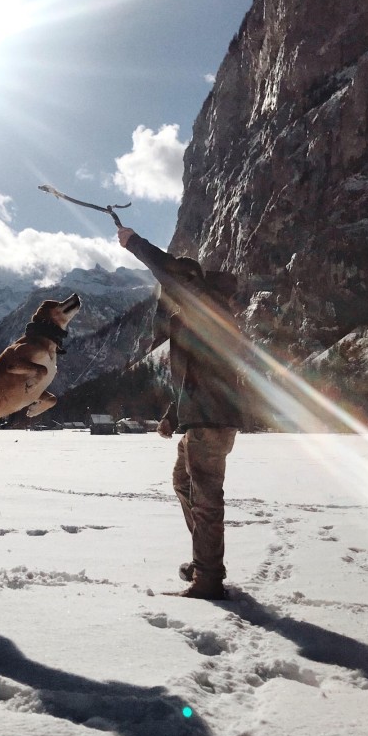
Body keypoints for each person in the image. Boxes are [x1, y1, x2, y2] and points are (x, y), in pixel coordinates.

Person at [117, 226, 247, 599]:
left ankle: (208, 578)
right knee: (182, 481)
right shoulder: (202, 315)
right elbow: (200, 374)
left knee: (206, 498)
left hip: (210, 421)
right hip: (203, 417)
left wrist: (135, 243)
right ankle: (204, 561)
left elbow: (167, 269)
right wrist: (174, 415)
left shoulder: (204, 303)